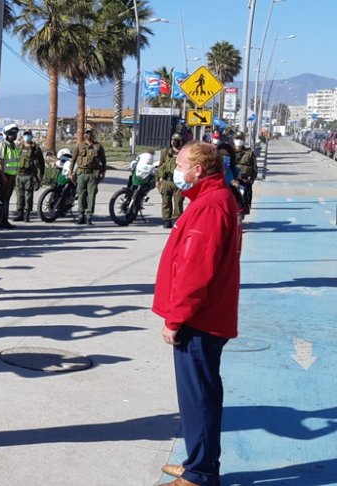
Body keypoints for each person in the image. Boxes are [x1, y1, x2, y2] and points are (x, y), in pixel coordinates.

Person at [152, 142, 241, 486]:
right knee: (199, 395)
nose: (176, 167)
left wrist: (175, 318)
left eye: (180, 163)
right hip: (206, 315)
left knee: (199, 397)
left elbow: (195, 271)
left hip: (199, 320)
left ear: (198, 170)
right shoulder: (215, 200)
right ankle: (197, 462)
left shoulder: (210, 206)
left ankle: (200, 473)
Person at [71, 126, 107, 225]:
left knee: (91, 196)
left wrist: (103, 172)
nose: (89, 135)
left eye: (90, 133)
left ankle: (89, 216)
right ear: (84, 134)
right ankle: (81, 215)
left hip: (93, 174)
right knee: (81, 195)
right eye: (87, 133)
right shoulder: (80, 145)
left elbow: (103, 161)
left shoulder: (98, 146)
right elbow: (73, 159)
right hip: (81, 174)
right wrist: (71, 172)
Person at [14, 130, 45, 223]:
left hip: (29, 175)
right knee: (19, 195)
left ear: (31, 136)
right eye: (25, 135)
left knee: (28, 196)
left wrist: (40, 176)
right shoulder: (19, 147)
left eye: (28, 135)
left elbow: (41, 162)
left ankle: (27, 215)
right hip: (19, 174)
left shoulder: (35, 148)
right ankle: (20, 214)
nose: (27, 137)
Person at [0, 124, 20, 229]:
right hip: (4, 176)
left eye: (14, 134)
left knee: (7, 199)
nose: (13, 136)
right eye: (11, 134)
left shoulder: (13, 146)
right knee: (2, 199)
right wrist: (3, 177)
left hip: (12, 176)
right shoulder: (3, 145)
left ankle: (5, 220)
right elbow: (0, 161)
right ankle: (1, 221)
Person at [157, 133, 185, 228]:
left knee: (178, 202)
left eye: (177, 140)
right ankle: (166, 220)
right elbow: (160, 166)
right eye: (173, 140)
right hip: (166, 181)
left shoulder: (184, 153)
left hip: (179, 182)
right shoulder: (166, 152)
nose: (175, 142)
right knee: (166, 201)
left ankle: (176, 220)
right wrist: (157, 181)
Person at [232, 132, 256, 215]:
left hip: (244, 178)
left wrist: (252, 178)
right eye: (237, 139)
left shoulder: (249, 152)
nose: (239, 141)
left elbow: (254, 167)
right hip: (232, 179)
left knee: (246, 195)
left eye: (240, 139)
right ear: (234, 140)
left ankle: (244, 209)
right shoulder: (229, 151)